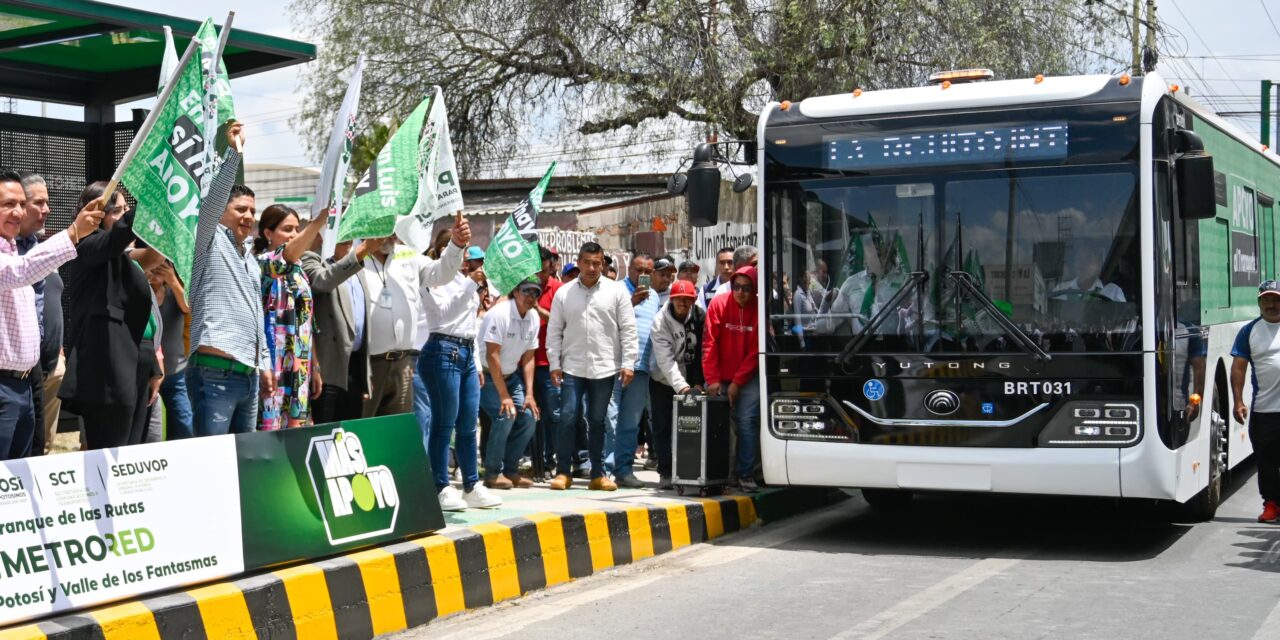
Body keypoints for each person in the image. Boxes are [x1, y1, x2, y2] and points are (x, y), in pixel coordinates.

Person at [0, 169, 101, 459]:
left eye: (21, 203)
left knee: (19, 479)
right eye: (9, 204)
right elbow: (21, 272)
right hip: (4, 387)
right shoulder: (17, 260)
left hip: (25, 383)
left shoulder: (15, 250)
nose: (18, 212)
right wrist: (73, 233)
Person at [60, 182, 165, 450]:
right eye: (118, 210)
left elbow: (141, 319)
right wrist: (154, 198)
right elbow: (116, 237)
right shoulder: (87, 246)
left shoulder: (126, 259)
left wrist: (153, 365)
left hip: (138, 364)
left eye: (127, 209)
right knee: (110, 451)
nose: (125, 215)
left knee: (132, 452)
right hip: (108, 373)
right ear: (98, 216)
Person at [187, 123, 273, 435]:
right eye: (240, 209)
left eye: (252, 210)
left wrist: (264, 364)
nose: (249, 216)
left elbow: (256, 316)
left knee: (241, 465)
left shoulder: (250, 258)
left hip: (248, 378)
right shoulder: (208, 240)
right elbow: (209, 205)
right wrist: (233, 154)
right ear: (222, 211)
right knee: (209, 466)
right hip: (213, 375)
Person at [546, 242, 638, 491]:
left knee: (598, 420)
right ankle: (563, 472)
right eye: (586, 262)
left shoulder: (616, 292)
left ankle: (598, 473)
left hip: (604, 366)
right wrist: (554, 363)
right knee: (567, 417)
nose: (591, 267)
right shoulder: (564, 293)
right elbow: (554, 331)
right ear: (578, 262)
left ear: (603, 264)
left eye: (596, 263)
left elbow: (628, 328)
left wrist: (628, 363)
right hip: (572, 366)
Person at [421, 224, 499, 512]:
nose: (463, 257)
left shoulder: (465, 280)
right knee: (444, 422)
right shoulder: (432, 277)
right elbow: (442, 316)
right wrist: (470, 286)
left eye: (464, 250)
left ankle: (471, 484)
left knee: (468, 423)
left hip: (465, 352)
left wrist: (476, 362)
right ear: (443, 250)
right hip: (442, 349)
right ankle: (440, 485)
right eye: (456, 248)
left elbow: (469, 326)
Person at [361, 218, 468, 418]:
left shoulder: (408, 255)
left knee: (396, 432)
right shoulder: (355, 258)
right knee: (363, 431)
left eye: (395, 229)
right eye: (386, 228)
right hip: (366, 366)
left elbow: (441, 274)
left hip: (402, 363)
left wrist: (457, 245)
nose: (392, 235)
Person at [253, 204, 329, 429]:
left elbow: (308, 321)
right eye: (287, 229)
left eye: (297, 228)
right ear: (268, 233)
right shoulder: (262, 264)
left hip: (300, 365)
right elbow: (285, 256)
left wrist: (314, 367)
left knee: (297, 434)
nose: (295, 234)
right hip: (273, 364)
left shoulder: (300, 270)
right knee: (269, 433)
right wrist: (317, 223)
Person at [304, 238, 381, 425]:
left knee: (349, 432)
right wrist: (362, 250)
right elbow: (324, 281)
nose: (348, 238)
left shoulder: (357, 264)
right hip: (327, 369)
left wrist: (366, 372)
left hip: (354, 366)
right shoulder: (312, 259)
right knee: (324, 432)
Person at [478, 277, 542, 490]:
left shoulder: (533, 317)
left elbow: (529, 357)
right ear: (515, 292)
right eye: (527, 291)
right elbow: (492, 356)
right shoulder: (500, 314)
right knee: (505, 415)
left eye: (536, 293)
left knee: (530, 416)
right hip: (486, 375)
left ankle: (511, 470)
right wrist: (504, 395)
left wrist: (529, 394)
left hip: (511, 375)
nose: (531, 297)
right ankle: (493, 473)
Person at [16, 172, 64, 454]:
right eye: (39, 203)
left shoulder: (41, 248)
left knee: (43, 449)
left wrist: (59, 350)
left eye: (48, 203)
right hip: (17, 371)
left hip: (51, 366)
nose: (46, 210)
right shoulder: (9, 253)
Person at [703, 265, 761, 492]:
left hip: (747, 378)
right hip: (720, 376)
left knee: (746, 423)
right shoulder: (719, 303)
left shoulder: (758, 309)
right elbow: (709, 343)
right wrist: (713, 380)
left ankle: (745, 473)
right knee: (720, 426)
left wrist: (737, 383)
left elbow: (756, 352)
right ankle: (721, 475)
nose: (741, 292)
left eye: (747, 288)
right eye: (737, 287)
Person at [649, 279, 705, 489]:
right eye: (678, 299)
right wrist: (683, 388)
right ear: (671, 299)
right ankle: (665, 471)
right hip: (662, 379)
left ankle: (689, 471)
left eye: (687, 299)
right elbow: (665, 361)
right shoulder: (660, 321)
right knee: (662, 427)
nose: (682, 303)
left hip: (692, 380)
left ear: (692, 300)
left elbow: (703, 351)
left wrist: (698, 383)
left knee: (690, 427)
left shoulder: (700, 316)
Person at [1232, 280, 1280, 523]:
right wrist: (1238, 400)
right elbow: (1238, 367)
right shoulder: (1249, 331)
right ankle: (1271, 504)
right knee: (1267, 461)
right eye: (1267, 300)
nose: (1272, 304)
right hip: (1264, 410)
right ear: (1259, 303)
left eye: (1276, 299)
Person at [612, 253, 659, 487]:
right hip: (615, 366)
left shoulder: (654, 298)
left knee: (630, 423)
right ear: (629, 268)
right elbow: (607, 322)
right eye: (639, 270)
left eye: (648, 272)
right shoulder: (615, 290)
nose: (643, 275)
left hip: (640, 369)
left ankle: (623, 470)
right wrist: (631, 302)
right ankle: (604, 470)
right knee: (609, 419)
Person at [149, 262, 193, 439]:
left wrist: (173, 281)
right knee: (151, 432)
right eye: (153, 264)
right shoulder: (142, 291)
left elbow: (188, 308)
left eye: (163, 264)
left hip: (177, 373)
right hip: (149, 374)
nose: (157, 269)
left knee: (184, 425)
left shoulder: (174, 292)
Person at [533, 247, 564, 477]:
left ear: (551, 266)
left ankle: (552, 459)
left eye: (543, 270)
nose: (539, 276)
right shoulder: (524, 287)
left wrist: (537, 308)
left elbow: (560, 321)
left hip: (548, 362)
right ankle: (535, 462)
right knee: (531, 416)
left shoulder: (559, 290)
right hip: (525, 361)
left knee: (553, 415)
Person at [1052, 245, 1125, 302]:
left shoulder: (1113, 292)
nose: (1082, 263)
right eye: (1079, 259)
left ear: (1099, 265)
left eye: (1088, 259)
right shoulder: (1060, 289)